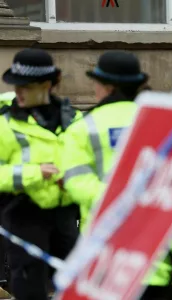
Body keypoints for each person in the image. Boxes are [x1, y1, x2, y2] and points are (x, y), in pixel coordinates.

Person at [61, 51, 172, 300]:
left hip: (111, 258)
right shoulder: (163, 122)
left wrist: (119, 197)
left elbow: (76, 183)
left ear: (108, 87)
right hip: (161, 252)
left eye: (96, 84)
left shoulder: (83, 127)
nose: (95, 90)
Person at [0, 48, 81, 300]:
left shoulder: (74, 120)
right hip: (24, 216)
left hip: (66, 217)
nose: (18, 92)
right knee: (30, 291)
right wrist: (35, 173)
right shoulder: (5, 123)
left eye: (26, 86)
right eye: (16, 85)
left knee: (77, 288)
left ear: (47, 84)